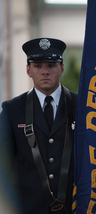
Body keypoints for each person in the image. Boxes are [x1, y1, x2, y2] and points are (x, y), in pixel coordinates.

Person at [0, 38, 77, 214]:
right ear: (28, 70)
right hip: (29, 208)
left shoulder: (81, 106)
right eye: (38, 66)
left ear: (61, 68)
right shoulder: (12, 110)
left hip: (74, 207)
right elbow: (4, 165)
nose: (45, 72)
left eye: (51, 65)